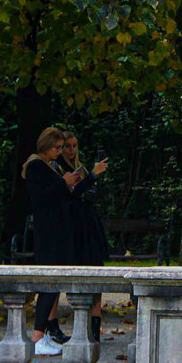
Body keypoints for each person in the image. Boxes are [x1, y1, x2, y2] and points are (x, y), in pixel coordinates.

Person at [20, 126, 80, 358]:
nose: (60, 152)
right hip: (48, 234)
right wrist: (62, 182)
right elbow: (40, 198)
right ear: (46, 146)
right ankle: (36, 337)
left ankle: (42, 333)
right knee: (49, 283)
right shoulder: (35, 166)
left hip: (57, 231)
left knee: (54, 283)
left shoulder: (50, 166)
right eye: (56, 148)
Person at [61, 131, 111, 342]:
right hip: (76, 227)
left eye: (74, 145)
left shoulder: (76, 167)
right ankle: (82, 327)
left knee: (96, 271)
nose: (72, 151)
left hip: (89, 223)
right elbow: (71, 193)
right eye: (67, 146)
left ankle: (94, 328)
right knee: (81, 275)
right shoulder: (61, 170)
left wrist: (92, 179)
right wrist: (91, 175)